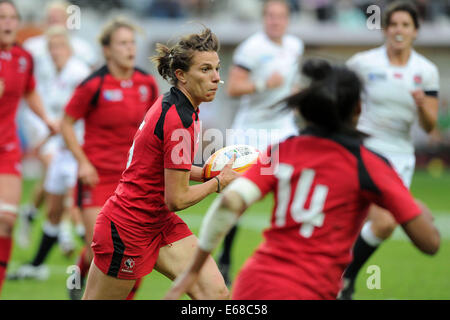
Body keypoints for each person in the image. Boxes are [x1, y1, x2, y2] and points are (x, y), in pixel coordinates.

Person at [164, 59, 441, 300]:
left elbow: (230, 203)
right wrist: (414, 208)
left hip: (255, 285)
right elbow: (430, 244)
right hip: (311, 291)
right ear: (358, 109)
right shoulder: (370, 165)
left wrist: (192, 272)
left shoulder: (283, 150)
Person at [82, 27, 238, 300]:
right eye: (205, 70)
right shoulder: (179, 118)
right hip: (128, 228)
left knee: (216, 295)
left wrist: (208, 173)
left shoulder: (181, 106)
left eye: (217, 68)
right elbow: (176, 198)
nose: (216, 78)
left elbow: (164, 168)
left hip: (159, 223)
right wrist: (217, 183)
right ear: (181, 75)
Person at [338, 1, 440, 300]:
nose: (399, 30)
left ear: (415, 31)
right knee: (382, 221)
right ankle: (343, 280)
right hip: (365, 151)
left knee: (383, 223)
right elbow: (342, 98)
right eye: (393, 24)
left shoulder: (426, 71)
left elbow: (430, 125)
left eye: (405, 25)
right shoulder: (363, 63)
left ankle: (344, 279)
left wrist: (422, 105)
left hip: (400, 156)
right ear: (385, 29)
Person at [61, 17, 159, 299]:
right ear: (107, 50)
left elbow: (152, 126)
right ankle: (78, 277)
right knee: (100, 251)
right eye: (122, 43)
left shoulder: (145, 83)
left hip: (132, 180)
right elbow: (66, 123)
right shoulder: (93, 84)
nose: (130, 49)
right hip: (97, 176)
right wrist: (82, 162)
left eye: (132, 43)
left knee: (132, 254)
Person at [218, 0, 304, 285]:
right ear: (264, 18)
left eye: (280, 16)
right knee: (238, 198)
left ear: (288, 19)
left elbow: (290, 85)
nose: (275, 21)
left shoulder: (294, 46)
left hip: (283, 129)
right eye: (270, 15)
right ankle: (225, 258)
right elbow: (232, 88)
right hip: (251, 132)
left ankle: (290, 259)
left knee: (294, 193)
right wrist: (265, 84)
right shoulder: (251, 48)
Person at [7, 26, 91, 281]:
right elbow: (58, 120)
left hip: (79, 151)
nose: (55, 52)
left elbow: (83, 113)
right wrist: (45, 139)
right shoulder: (54, 77)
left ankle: (93, 260)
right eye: (51, 48)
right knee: (54, 210)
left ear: (69, 48)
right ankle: (37, 263)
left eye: (59, 47)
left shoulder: (79, 73)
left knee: (77, 208)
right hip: (61, 150)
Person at [17, 0, 98, 248]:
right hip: (39, 116)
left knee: (55, 174)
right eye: (50, 16)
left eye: (59, 16)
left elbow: (91, 87)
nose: (54, 21)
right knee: (55, 166)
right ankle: (64, 230)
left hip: (68, 121)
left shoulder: (81, 52)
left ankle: (32, 213)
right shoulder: (32, 47)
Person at [0, 0, 57, 295]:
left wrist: (47, 118)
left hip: (7, 148)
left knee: (6, 219)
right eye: (2, 17)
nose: (9, 23)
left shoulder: (23, 58)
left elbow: (30, 90)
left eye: (13, 17)